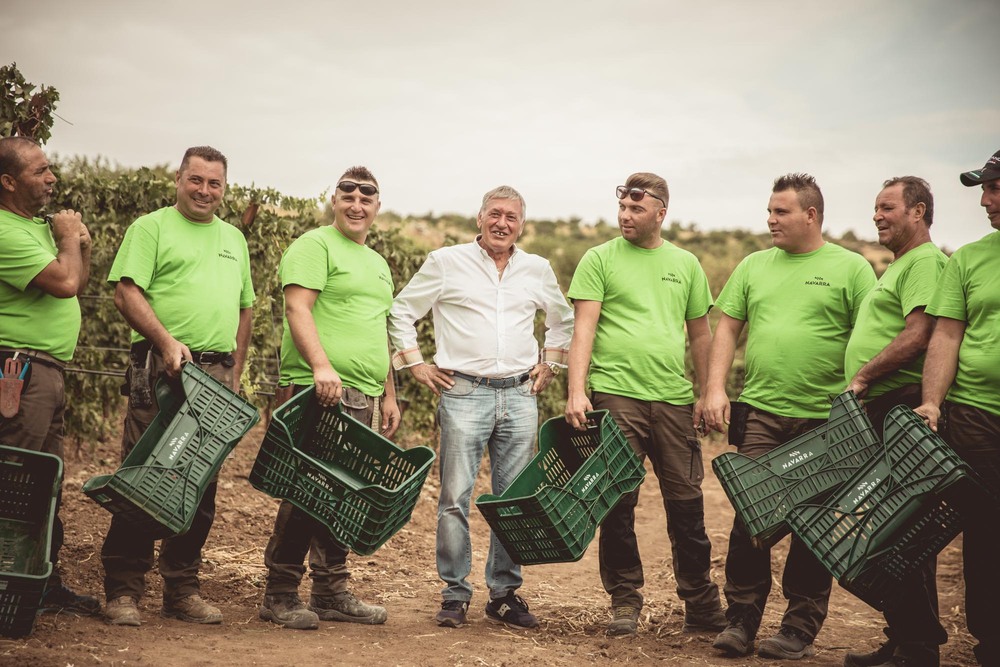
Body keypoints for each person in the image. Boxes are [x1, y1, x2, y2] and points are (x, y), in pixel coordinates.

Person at [702, 173, 876, 660]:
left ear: (811, 215)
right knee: (750, 517)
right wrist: (715, 387)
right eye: (770, 210)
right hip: (762, 411)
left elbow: (873, 337)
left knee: (812, 526)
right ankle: (741, 620)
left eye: (780, 212)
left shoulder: (852, 268)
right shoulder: (755, 265)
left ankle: (799, 627)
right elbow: (728, 325)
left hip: (827, 422)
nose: (770, 219)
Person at [388, 185, 573, 629]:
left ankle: (504, 593)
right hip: (463, 393)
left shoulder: (536, 268)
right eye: (495, 214)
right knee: (454, 497)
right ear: (479, 217)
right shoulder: (445, 262)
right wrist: (414, 365)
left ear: (521, 225)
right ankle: (454, 594)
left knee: (514, 499)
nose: (502, 223)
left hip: (520, 394)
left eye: (511, 217)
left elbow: (562, 318)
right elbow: (400, 312)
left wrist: (551, 363)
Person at [563, 173, 726, 637]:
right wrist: (578, 391)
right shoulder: (599, 259)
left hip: (673, 400)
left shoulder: (686, 263)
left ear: (661, 212)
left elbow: (700, 333)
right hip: (616, 395)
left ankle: (700, 602)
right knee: (617, 504)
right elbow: (584, 331)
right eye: (622, 208)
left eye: (636, 209)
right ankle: (625, 600)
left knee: (687, 505)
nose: (625, 216)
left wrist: (706, 389)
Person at [101, 146, 254, 627]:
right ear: (178, 179)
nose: (205, 191)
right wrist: (166, 342)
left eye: (215, 184)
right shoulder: (151, 228)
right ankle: (124, 589)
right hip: (161, 368)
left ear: (224, 188)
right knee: (147, 473)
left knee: (199, 480)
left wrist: (236, 370)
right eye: (197, 180)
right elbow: (126, 292)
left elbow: (245, 307)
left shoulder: (234, 238)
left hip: (215, 375)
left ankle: (182, 588)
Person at [259, 166, 398, 630]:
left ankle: (330, 591)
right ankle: (279, 592)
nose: (357, 204)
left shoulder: (378, 263)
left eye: (367, 197)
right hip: (320, 391)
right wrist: (321, 365)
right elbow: (298, 307)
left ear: (377, 206)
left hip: (365, 395)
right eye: (348, 195)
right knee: (307, 490)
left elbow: (379, 330)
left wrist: (389, 394)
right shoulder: (314, 245)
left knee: (344, 493)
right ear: (334, 200)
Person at [842, 176, 948, 667]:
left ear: (918, 211)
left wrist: (863, 375)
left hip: (900, 407)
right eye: (875, 208)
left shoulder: (925, 262)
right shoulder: (902, 264)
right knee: (892, 529)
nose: (877, 216)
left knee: (899, 530)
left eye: (887, 208)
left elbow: (920, 333)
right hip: (886, 408)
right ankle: (905, 636)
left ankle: (919, 647)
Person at [0, 136, 100, 616]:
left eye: (50, 168)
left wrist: (79, 246)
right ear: (8, 181)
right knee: (17, 478)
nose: (51, 178)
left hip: (48, 371)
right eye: (40, 171)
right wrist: (66, 240)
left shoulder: (33, 226)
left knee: (48, 481)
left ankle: (40, 582)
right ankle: (9, 582)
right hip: (19, 371)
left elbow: (77, 277)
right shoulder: (4, 230)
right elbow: (63, 283)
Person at [915, 149, 1000, 667]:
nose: (987, 201)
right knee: (986, 532)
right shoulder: (969, 258)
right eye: (984, 191)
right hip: (975, 415)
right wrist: (931, 402)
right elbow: (945, 334)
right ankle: (991, 642)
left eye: (995, 189)